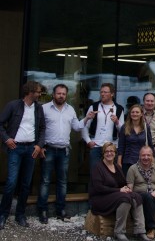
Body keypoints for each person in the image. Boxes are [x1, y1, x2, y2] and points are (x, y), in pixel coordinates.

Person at [38, 84, 96, 224]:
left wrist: (87, 118)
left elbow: (76, 127)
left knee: (62, 182)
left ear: (66, 95)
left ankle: (61, 211)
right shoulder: (44, 108)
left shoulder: (70, 110)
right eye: (59, 93)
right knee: (45, 181)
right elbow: (38, 128)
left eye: (63, 94)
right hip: (48, 149)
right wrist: (40, 147)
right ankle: (42, 211)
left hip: (64, 150)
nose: (61, 96)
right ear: (53, 94)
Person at [0, 81, 46, 230]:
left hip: (31, 149)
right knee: (11, 182)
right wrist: (6, 138)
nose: (40, 94)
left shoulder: (38, 109)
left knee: (26, 185)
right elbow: (0, 124)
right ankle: (3, 214)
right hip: (16, 148)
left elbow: (42, 129)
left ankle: (20, 214)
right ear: (30, 92)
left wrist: (39, 145)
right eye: (38, 92)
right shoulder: (13, 105)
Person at [88, 142, 149, 241]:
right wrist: (119, 190)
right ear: (103, 153)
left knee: (136, 196)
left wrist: (127, 189)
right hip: (100, 198)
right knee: (124, 198)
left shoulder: (117, 167)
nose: (109, 153)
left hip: (114, 196)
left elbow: (122, 183)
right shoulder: (97, 167)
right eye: (106, 151)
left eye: (111, 151)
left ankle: (140, 230)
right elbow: (99, 188)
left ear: (115, 153)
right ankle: (119, 232)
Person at [82, 83, 125, 173]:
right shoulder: (93, 107)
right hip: (96, 146)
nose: (102, 94)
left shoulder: (119, 109)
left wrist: (117, 122)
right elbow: (85, 125)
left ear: (112, 94)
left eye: (105, 92)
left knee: (112, 174)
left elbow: (123, 130)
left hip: (112, 147)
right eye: (101, 92)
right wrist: (88, 141)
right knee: (95, 174)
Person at [118, 104, 153, 175]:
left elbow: (150, 145)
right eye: (132, 112)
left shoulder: (146, 127)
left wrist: (153, 160)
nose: (135, 114)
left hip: (143, 161)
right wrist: (119, 162)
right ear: (130, 114)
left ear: (141, 114)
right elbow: (121, 145)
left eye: (137, 112)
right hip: (128, 161)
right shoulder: (124, 127)